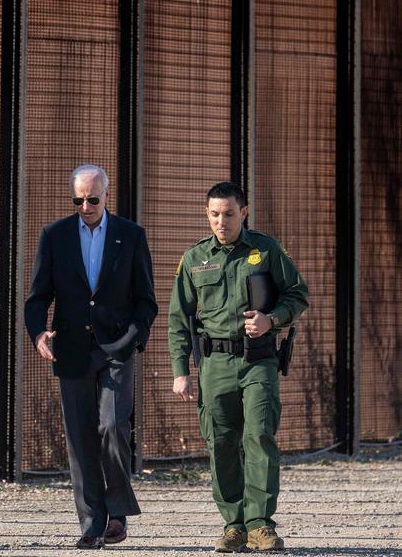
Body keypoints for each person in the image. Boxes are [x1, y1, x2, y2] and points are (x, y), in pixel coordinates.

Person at [168, 182, 308, 553]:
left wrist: (272, 319)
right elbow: (179, 319)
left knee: (259, 434)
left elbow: (298, 294)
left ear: (243, 212)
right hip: (214, 364)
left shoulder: (266, 250)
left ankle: (261, 524)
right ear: (207, 215)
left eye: (229, 213)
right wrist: (180, 371)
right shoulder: (195, 259)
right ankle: (234, 524)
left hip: (258, 359)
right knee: (222, 443)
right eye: (214, 214)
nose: (221, 221)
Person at [25, 165, 157, 550]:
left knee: (113, 427)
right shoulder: (55, 235)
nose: (85, 206)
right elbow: (37, 298)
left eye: (92, 199)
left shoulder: (131, 236)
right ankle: (91, 523)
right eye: (78, 200)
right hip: (72, 349)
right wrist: (38, 335)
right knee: (81, 439)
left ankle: (116, 511)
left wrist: (134, 338)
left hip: (117, 347)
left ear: (106, 195)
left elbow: (146, 299)